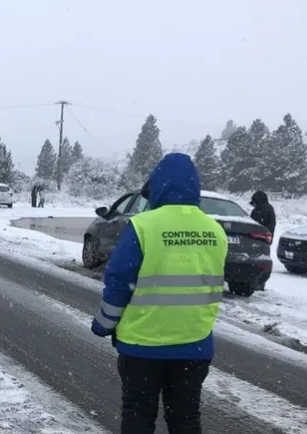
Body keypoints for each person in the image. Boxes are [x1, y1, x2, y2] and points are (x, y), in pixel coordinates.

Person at [90, 153, 228, 434]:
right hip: (194, 345)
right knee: (186, 419)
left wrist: (103, 324)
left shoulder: (143, 226)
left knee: (138, 418)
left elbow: (118, 283)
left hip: (143, 348)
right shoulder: (215, 231)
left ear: (159, 185)